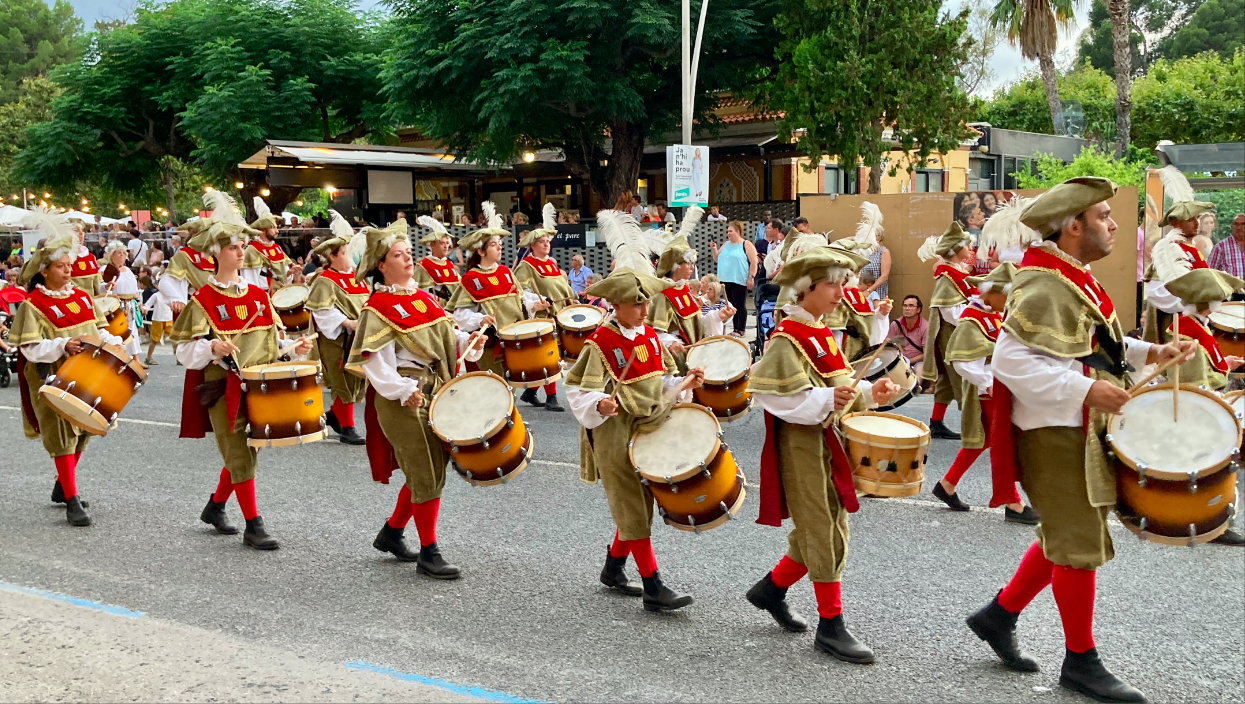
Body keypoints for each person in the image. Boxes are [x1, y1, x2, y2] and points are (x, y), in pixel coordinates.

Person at [965, 177, 1194, 704]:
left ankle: (998, 616)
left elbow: (1090, 346)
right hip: (1054, 432)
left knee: (1068, 533)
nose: (1115, 225)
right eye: (1104, 217)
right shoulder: (1044, 283)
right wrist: (1088, 390)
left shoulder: (1071, 275)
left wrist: (1145, 354)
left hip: (1072, 425)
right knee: (1079, 543)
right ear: (1073, 227)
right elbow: (1011, 362)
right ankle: (1080, 662)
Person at [745, 245, 900, 663]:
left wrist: (870, 391)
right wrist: (828, 397)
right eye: (831, 284)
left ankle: (771, 590)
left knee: (828, 523)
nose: (840, 291)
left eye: (841, 282)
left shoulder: (819, 331)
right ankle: (831, 625)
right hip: (800, 445)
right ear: (806, 289)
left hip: (826, 440)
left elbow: (840, 387)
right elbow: (774, 398)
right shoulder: (787, 337)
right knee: (823, 529)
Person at [564, 209, 705, 612]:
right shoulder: (599, 342)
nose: (645, 311)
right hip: (614, 431)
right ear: (617, 305)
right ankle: (653, 586)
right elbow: (576, 387)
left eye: (646, 303)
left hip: (645, 425)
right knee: (632, 503)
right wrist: (599, 403)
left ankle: (613, 567)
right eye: (636, 304)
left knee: (638, 502)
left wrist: (681, 386)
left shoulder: (646, 338)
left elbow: (655, 384)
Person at [344, 219, 486, 577]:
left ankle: (392, 532)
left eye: (408, 253)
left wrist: (468, 345)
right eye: (398, 255)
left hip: (433, 391)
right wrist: (402, 390)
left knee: (430, 467)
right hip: (402, 396)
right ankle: (428, 551)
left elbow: (444, 343)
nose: (408, 260)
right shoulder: (377, 307)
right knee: (426, 470)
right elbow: (374, 361)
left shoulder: (424, 299)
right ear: (381, 265)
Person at [170, 221, 314, 551]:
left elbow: (269, 344)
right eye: (233, 247)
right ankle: (254, 525)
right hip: (224, 387)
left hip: (259, 385)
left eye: (242, 247)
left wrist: (290, 348)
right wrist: (211, 348)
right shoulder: (203, 299)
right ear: (215, 254)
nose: (241, 252)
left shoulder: (258, 296)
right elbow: (183, 351)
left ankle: (216, 506)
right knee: (240, 454)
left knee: (246, 453)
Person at [9, 209, 131, 527]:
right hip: (48, 373)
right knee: (61, 432)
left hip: (84, 368)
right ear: (45, 270)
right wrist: (62, 345)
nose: (68, 272)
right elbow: (28, 347)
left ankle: (62, 486)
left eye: (69, 266)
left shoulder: (79, 296)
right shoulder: (32, 304)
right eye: (61, 267)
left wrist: (113, 342)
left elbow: (97, 329)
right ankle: (72, 500)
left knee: (83, 428)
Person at [1145, 228, 1245, 546]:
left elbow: (1209, 366)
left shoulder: (1194, 326)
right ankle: (1204, 520)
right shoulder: (1185, 331)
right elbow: (1193, 383)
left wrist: (1224, 364)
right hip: (1194, 416)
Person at [931, 263, 1036, 523]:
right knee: (1002, 441)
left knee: (987, 440)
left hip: (995, 387)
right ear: (992, 293)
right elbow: (960, 360)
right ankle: (1013, 502)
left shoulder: (992, 314)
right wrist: (984, 382)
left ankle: (947, 484)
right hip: (986, 390)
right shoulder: (971, 318)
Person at [447, 202, 539, 378]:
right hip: (487, 343)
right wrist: (480, 319)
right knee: (494, 390)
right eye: (493, 245)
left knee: (510, 389)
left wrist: (533, 305)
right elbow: (459, 315)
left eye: (500, 244)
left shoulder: (505, 272)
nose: (499, 247)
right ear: (481, 251)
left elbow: (519, 301)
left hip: (513, 339)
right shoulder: (471, 278)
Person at [307, 212, 372, 446]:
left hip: (358, 336)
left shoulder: (358, 278)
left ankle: (334, 415)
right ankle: (347, 428)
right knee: (342, 377)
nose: (350, 256)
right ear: (332, 257)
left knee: (356, 378)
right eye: (344, 253)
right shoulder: (325, 280)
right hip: (337, 340)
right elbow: (321, 312)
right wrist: (346, 323)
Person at [647, 206, 734, 369]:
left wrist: (716, 316)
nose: (692, 268)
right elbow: (655, 331)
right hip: (676, 358)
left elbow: (696, 322)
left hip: (694, 353)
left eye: (692, 263)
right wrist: (671, 342)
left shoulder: (684, 289)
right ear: (675, 266)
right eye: (688, 263)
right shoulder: (662, 294)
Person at [917, 222, 977, 439]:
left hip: (954, 333)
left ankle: (936, 422)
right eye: (966, 246)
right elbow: (948, 309)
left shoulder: (955, 272)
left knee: (947, 382)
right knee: (962, 377)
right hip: (952, 335)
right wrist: (972, 320)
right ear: (954, 249)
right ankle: (975, 425)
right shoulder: (947, 275)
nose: (970, 249)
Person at [513, 203, 574, 411]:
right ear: (532, 245)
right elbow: (519, 291)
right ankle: (551, 397)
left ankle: (531, 392)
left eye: (548, 241)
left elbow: (561, 286)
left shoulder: (552, 263)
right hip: (541, 315)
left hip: (559, 313)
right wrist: (534, 302)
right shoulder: (526, 266)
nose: (546, 244)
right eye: (541, 241)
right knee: (550, 355)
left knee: (553, 355)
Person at [1142, 201, 1216, 345]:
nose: (1196, 223)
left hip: (1195, 324)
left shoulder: (1191, 249)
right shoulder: (1168, 250)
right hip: (1174, 329)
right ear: (1176, 223)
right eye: (1190, 219)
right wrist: (1195, 304)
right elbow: (1157, 293)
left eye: (1197, 218)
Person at [709, 221, 758, 337]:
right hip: (724, 279)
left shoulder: (746, 244)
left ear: (738, 231)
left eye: (730, 231)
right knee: (728, 304)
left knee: (739, 305)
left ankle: (740, 328)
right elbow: (717, 259)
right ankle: (732, 327)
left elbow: (754, 262)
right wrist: (714, 249)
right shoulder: (726, 244)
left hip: (739, 279)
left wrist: (751, 277)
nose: (728, 234)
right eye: (727, 231)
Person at [99, 240, 144, 360]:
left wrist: (139, 303)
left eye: (124, 253)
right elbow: (100, 287)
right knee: (119, 331)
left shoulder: (128, 270)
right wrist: (106, 286)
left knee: (132, 331)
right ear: (111, 255)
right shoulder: (105, 269)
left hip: (130, 304)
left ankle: (135, 358)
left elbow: (134, 289)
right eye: (119, 253)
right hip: (116, 304)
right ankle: (123, 357)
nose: (122, 255)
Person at [242, 195, 290, 292]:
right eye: (273, 228)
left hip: (280, 292)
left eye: (276, 227)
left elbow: (283, 273)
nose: (277, 231)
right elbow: (250, 280)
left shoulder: (277, 247)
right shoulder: (253, 249)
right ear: (263, 229)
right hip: (264, 294)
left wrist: (291, 273)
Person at [412, 216, 461, 307]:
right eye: (442, 243)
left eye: (447, 243)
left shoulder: (448, 264)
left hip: (452, 308)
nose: (446, 246)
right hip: (433, 307)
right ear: (432, 245)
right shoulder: (423, 265)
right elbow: (417, 291)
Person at [855, 202, 891, 300]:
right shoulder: (863, 251)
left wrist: (869, 290)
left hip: (875, 292)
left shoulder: (883, 252)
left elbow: (884, 276)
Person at [887, 295, 927, 381]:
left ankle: (916, 387)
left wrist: (909, 361)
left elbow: (927, 354)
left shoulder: (925, 327)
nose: (907, 308)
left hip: (918, 361)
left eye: (911, 306)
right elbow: (888, 347)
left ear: (918, 309)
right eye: (905, 306)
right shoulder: (895, 324)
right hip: (899, 361)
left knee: (920, 370)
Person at [140, 274, 171, 366]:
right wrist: (144, 308)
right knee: (154, 340)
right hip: (158, 319)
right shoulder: (156, 295)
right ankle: (148, 357)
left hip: (169, 318)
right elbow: (148, 305)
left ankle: (179, 357)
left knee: (175, 338)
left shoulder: (171, 295)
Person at [1207, 213, 1245, 282]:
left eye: (1243, 224)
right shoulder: (1221, 246)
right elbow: (1210, 272)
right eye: (1236, 224)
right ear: (1231, 227)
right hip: (1231, 291)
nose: (1239, 227)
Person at [68, 222, 103, 295]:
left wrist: (105, 287)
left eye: (82, 230)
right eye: (76, 230)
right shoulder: (64, 258)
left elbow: (97, 284)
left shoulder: (91, 257)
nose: (81, 233)